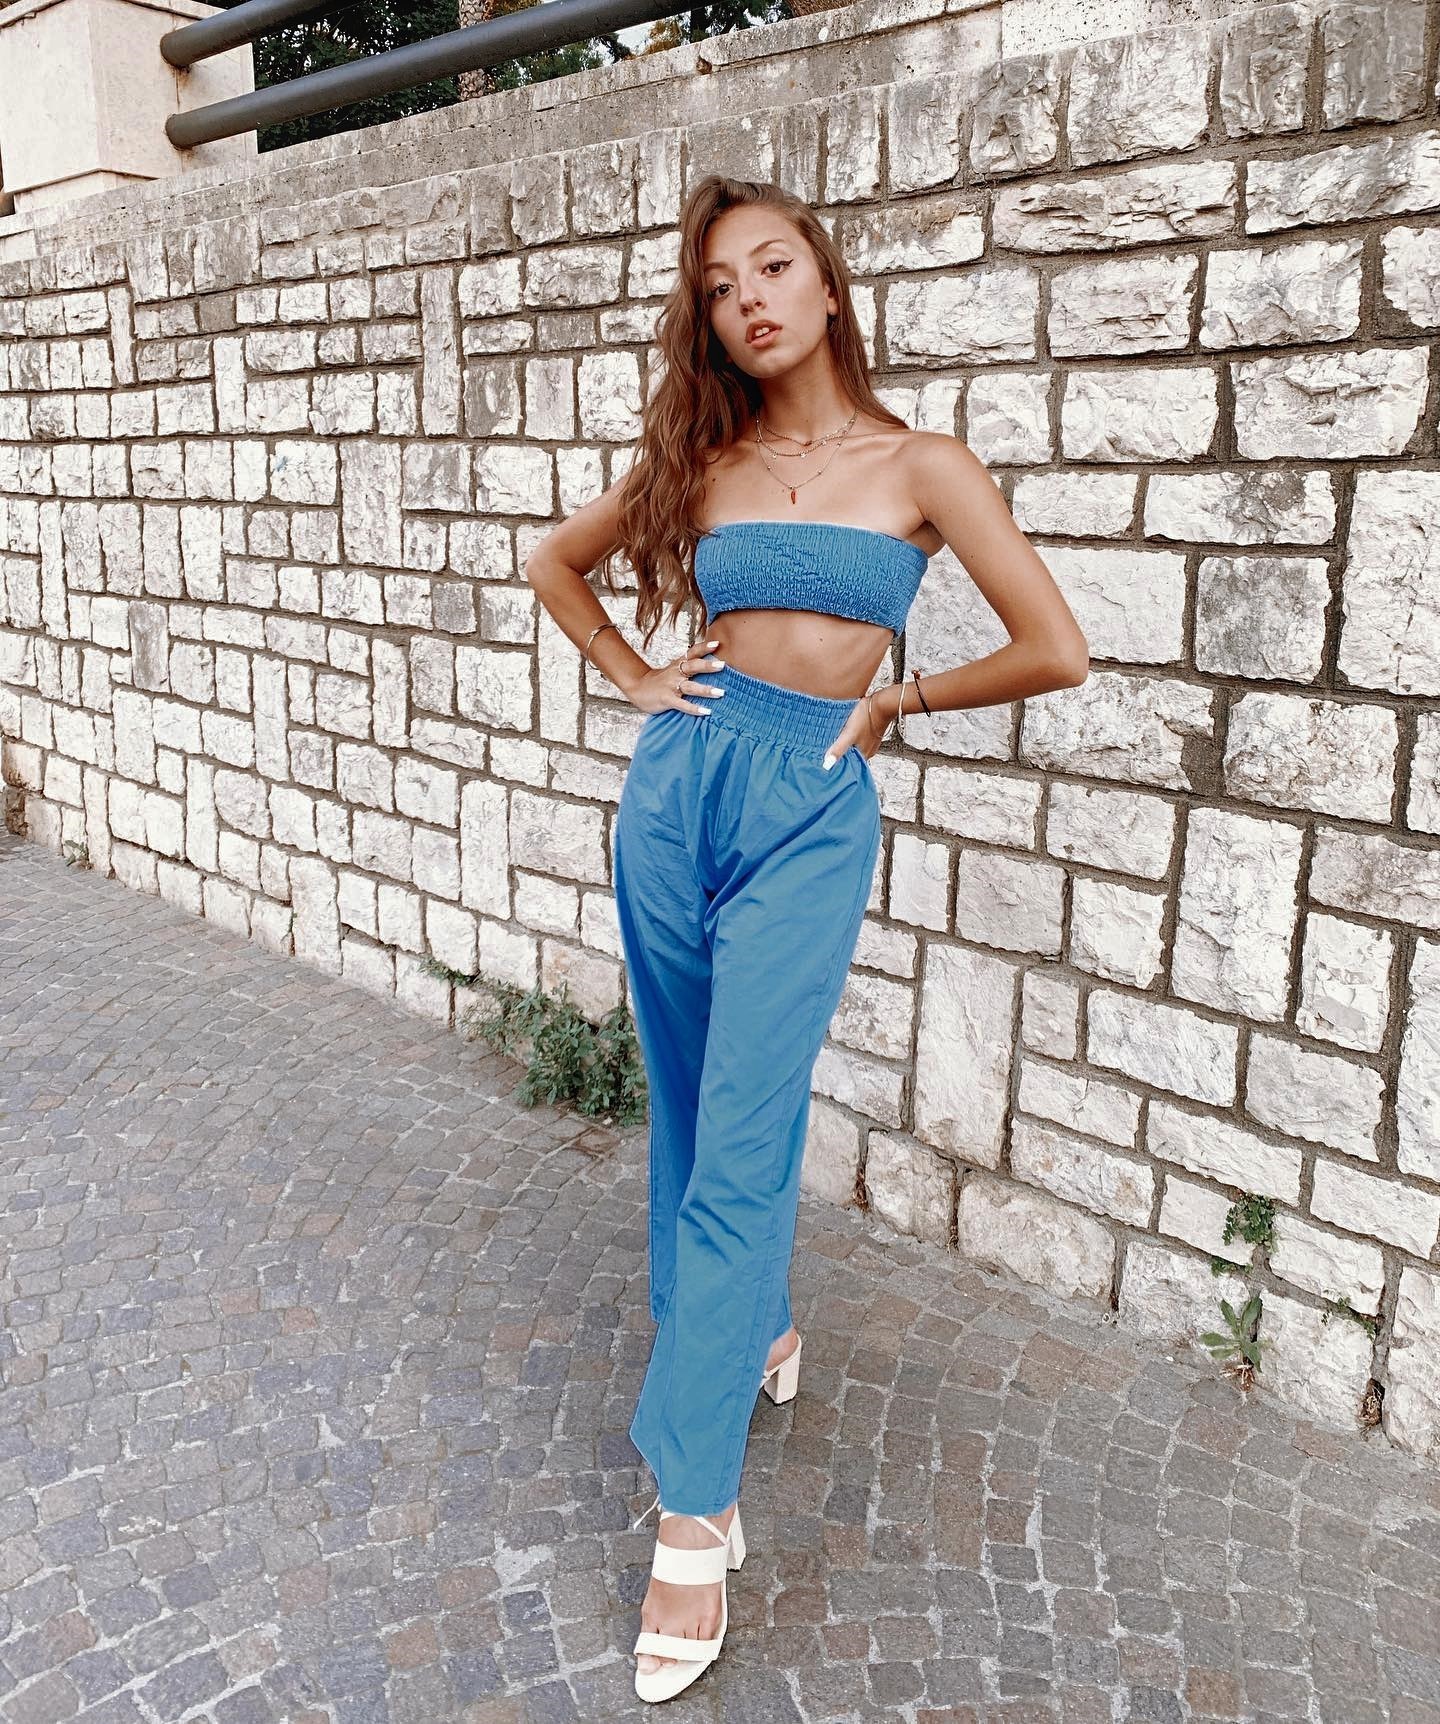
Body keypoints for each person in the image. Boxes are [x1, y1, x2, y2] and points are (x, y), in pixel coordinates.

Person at [524, 173, 1089, 1703]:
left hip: (810, 803)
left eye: (772, 268)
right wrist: (635, 677)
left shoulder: (922, 465)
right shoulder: (703, 460)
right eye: (719, 287)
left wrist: (901, 699)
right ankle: (758, 1323)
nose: (748, 302)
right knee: (690, 1104)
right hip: (677, 788)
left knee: (747, 1135)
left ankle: (692, 1506)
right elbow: (553, 561)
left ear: (827, 285)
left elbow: (1056, 647)